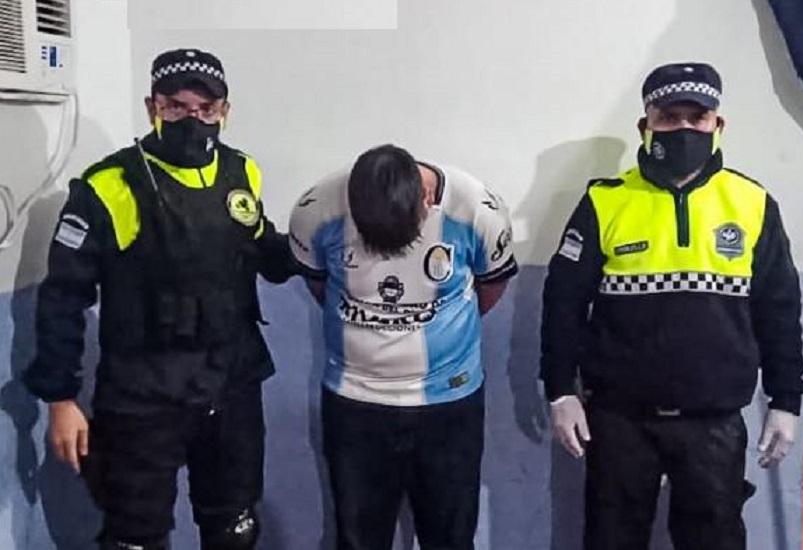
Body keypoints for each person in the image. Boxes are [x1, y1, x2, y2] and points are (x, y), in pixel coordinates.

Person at [23, 48, 295, 550]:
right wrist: (60, 398)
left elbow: (261, 243)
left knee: (235, 527)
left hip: (231, 385)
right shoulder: (109, 185)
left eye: (206, 109)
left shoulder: (241, 171)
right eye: (176, 107)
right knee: (135, 537)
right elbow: (63, 297)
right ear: (152, 107)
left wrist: (321, 245)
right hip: (143, 397)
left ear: (224, 111)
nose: (193, 119)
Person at [540, 62, 803, 550]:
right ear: (645, 125)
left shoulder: (751, 203)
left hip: (714, 420)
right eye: (668, 117)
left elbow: (779, 311)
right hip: (619, 419)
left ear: (718, 124)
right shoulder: (605, 201)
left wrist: (786, 399)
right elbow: (563, 303)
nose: (684, 128)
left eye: (697, 117)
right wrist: (560, 391)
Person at [288, 144, 517, 549]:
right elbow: (320, 285)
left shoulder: (477, 210)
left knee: (450, 539)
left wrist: (441, 333)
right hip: (354, 402)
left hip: (449, 403)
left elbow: (491, 286)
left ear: (426, 199)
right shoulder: (316, 209)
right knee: (357, 540)